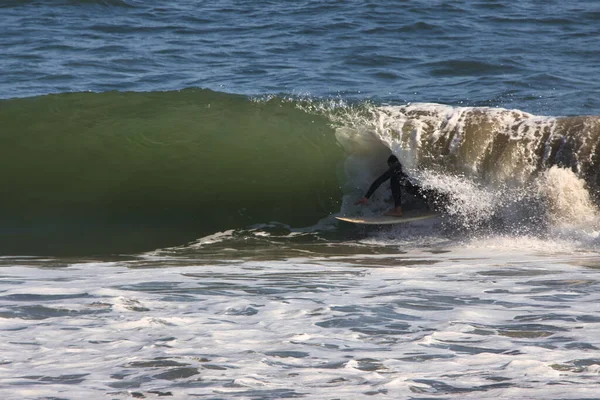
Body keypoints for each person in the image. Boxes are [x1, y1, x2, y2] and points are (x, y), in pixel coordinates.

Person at [354, 154, 423, 217]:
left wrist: (366, 197)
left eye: (390, 165)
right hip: (424, 190)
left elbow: (379, 180)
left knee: (394, 179)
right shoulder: (408, 166)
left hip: (417, 190)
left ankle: (398, 211)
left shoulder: (396, 168)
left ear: (393, 163)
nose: (390, 168)